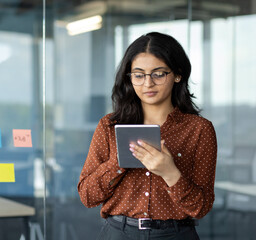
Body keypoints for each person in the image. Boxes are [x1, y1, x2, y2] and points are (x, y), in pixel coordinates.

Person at [77, 32, 217, 240]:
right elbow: (88, 196)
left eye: (158, 74)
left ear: (177, 74)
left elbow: (201, 207)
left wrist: (170, 172)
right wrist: (120, 160)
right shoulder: (109, 126)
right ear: (129, 77)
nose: (147, 84)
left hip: (176, 234)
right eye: (139, 74)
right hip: (118, 233)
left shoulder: (199, 129)